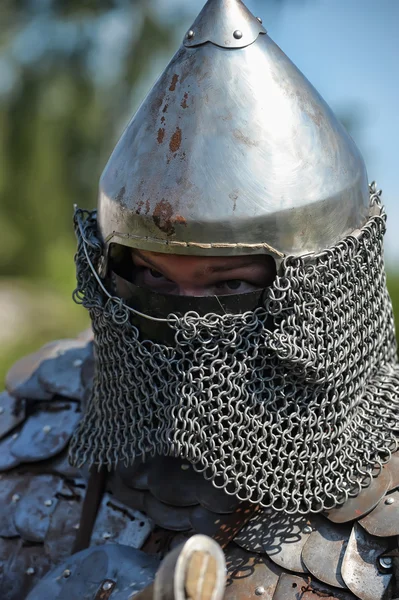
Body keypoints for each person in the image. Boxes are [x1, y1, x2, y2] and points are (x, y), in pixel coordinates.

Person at [1, 0, 398, 598]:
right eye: (154, 279)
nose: (187, 326)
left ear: (327, 288)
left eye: (230, 283)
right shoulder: (39, 421)